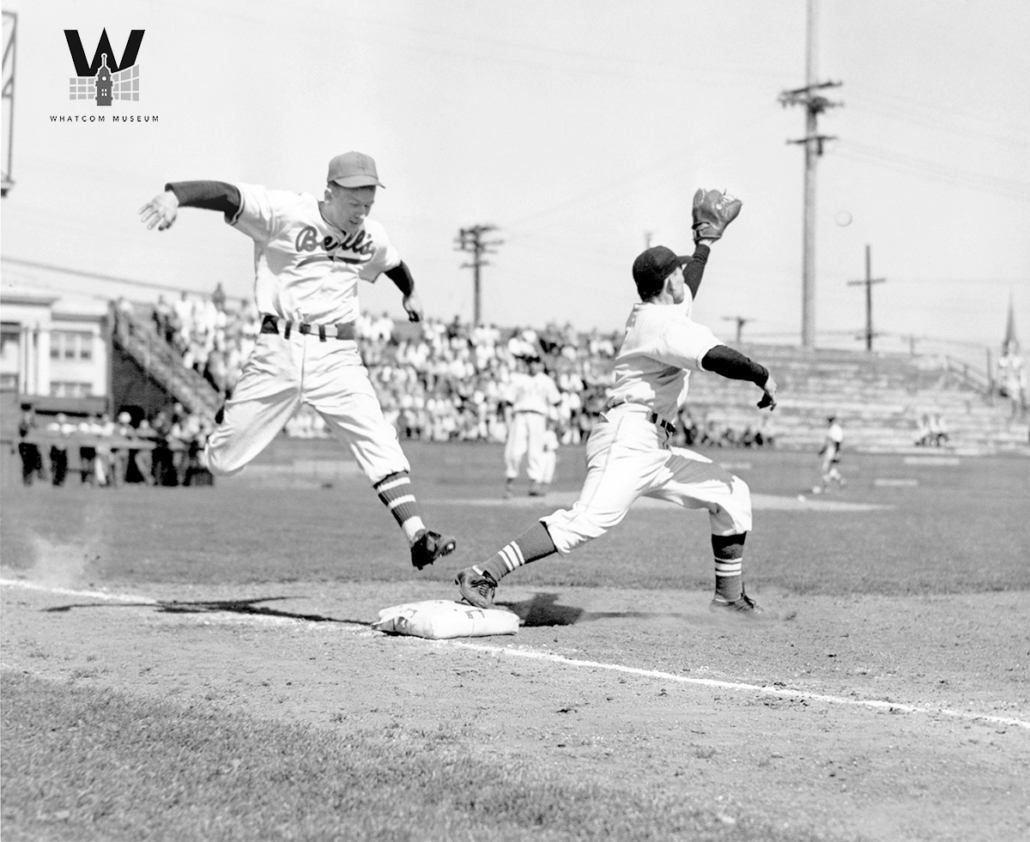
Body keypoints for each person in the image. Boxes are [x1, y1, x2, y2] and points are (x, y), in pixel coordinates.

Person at [139, 151, 456, 569]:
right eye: (353, 203)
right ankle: (225, 416)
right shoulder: (286, 212)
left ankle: (417, 533)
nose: (361, 213)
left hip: (337, 356)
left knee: (378, 439)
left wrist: (409, 292)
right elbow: (228, 195)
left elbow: (395, 265)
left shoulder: (370, 234)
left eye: (368, 204)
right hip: (280, 349)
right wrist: (175, 196)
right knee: (223, 461)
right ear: (331, 191)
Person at [455, 233, 779, 617]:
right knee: (585, 521)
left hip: (653, 444)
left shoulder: (657, 311)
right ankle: (483, 573)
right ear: (667, 282)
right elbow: (715, 356)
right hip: (628, 437)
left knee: (731, 495)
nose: (683, 277)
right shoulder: (664, 326)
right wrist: (761, 375)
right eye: (678, 271)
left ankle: (729, 599)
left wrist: (704, 243)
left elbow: (688, 285)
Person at [502, 354, 562, 498]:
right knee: (515, 450)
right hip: (520, 414)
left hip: (539, 416)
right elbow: (508, 401)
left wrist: (556, 419)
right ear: (527, 365)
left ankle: (534, 483)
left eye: (536, 363)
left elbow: (556, 401)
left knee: (536, 450)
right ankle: (509, 482)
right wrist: (507, 420)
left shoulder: (546, 381)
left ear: (540, 365)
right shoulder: (519, 379)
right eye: (531, 363)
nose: (534, 366)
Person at [813, 415, 845, 494]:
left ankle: (826, 488)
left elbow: (837, 442)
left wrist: (837, 453)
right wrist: (822, 451)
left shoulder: (835, 429)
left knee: (825, 469)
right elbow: (827, 442)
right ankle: (841, 480)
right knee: (830, 470)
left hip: (832, 451)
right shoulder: (831, 429)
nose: (829, 422)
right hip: (829, 450)